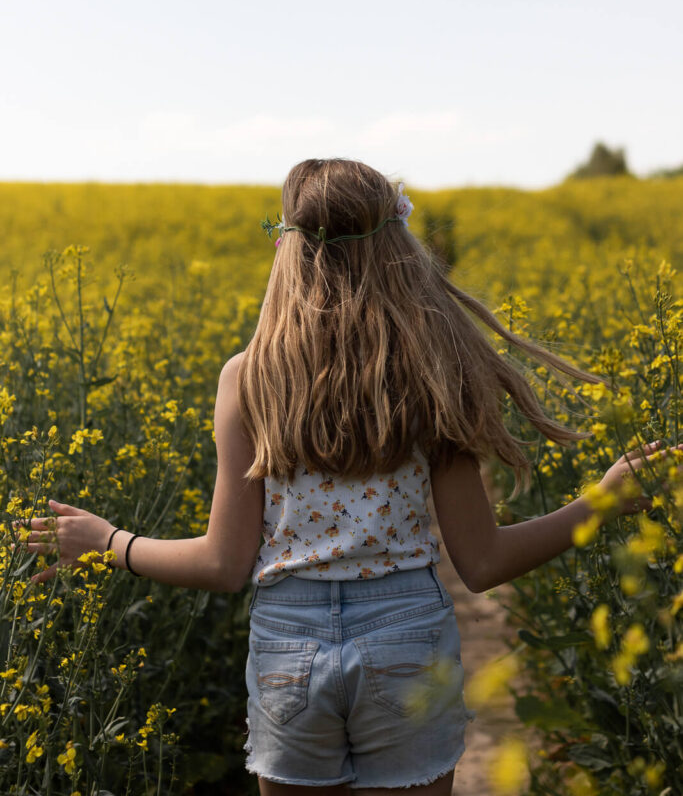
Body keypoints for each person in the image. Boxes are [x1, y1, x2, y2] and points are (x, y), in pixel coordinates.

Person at [17, 157, 668, 796]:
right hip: (406, 638)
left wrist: (106, 541)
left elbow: (222, 564)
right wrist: (598, 504)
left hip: (286, 647)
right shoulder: (431, 370)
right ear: (398, 250)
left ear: (288, 250)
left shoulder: (248, 379)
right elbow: (481, 561)